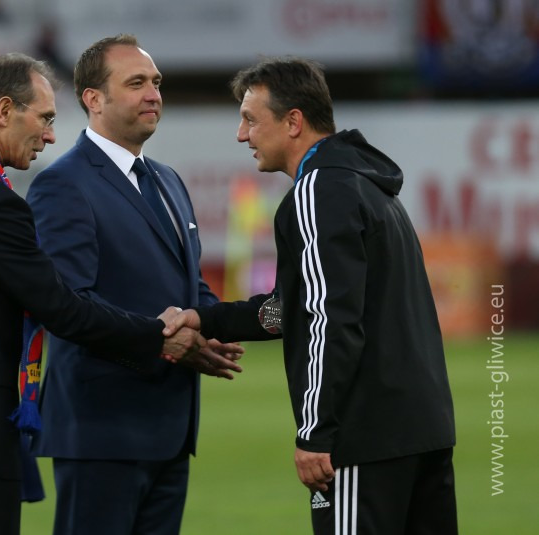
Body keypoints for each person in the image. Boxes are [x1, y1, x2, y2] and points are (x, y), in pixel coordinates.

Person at [0, 53, 234, 535]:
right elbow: (62, 307)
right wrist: (158, 336)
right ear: (5, 110)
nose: (49, 135)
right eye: (45, 118)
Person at [163, 57, 457, 534]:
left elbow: (328, 317)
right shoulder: (368, 185)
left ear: (293, 121)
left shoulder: (318, 189)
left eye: (251, 119)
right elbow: (292, 310)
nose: (241, 135)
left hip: (365, 437)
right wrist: (208, 319)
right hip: (423, 431)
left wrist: (315, 431)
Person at [26, 34, 237, 535]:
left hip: (171, 428)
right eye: (136, 83)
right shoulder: (62, 184)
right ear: (93, 99)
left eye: (157, 82)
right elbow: (69, 304)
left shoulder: (167, 180)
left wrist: (209, 325)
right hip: (101, 429)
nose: (153, 94)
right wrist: (162, 341)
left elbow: (189, 287)